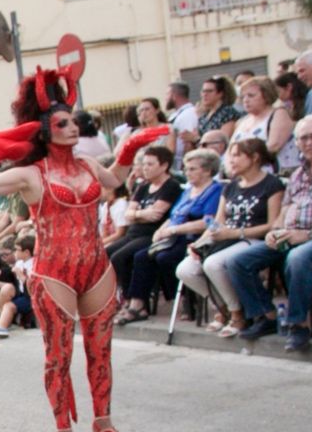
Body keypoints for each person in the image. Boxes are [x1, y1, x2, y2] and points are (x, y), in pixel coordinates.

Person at [0, 71, 144, 432]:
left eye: (73, 120)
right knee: (57, 356)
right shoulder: (30, 174)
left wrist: (132, 146)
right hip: (52, 271)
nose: (72, 127)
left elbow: (117, 179)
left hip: (96, 266)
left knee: (101, 351)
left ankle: (104, 425)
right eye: (62, 123)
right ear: (44, 131)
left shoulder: (90, 165)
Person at [222, 117, 312, 348]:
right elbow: (286, 208)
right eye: (302, 138)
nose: (308, 142)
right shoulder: (298, 173)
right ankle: (266, 316)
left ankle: (299, 324)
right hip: (293, 233)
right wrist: (276, 229)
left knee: (298, 257)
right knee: (237, 261)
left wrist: (310, 235)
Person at [177, 137, 285, 338]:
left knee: (214, 264)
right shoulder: (231, 186)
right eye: (230, 155)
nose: (231, 160)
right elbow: (218, 222)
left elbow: (272, 224)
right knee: (186, 269)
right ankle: (225, 306)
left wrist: (235, 233)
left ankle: (237, 314)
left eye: (237, 155)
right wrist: (199, 243)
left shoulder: (272, 184)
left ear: (254, 158)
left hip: (254, 238)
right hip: (226, 239)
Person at [121, 149, 222, 321]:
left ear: (207, 170)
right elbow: (174, 216)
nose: (187, 173)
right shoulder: (188, 191)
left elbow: (208, 221)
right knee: (142, 256)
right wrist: (162, 230)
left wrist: (174, 230)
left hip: (195, 238)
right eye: (186, 169)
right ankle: (137, 305)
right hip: (173, 236)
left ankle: (185, 300)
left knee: (164, 258)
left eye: (192, 169)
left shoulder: (216, 190)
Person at [104, 144, 181, 318]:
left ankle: (135, 303)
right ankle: (121, 297)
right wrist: (141, 214)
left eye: (150, 164)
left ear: (164, 165)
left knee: (121, 257)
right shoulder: (143, 187)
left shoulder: (171, 186)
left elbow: (157, 215)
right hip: (134, 233)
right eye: (143, 164)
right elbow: (128, 214)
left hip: (152, 234)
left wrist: (136, 214)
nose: (145, 168)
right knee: (108, 253)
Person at [231, 76, 293, 168]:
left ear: (266, 95)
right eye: (243, 97)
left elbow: (273, 146)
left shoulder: (279, 114)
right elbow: (231, 149)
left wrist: (244, 162)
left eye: (251, 95)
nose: (245, 100)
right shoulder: (241, 122)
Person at [193, 75, 241, 145]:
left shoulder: (228, 113)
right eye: (203, 91)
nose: (205, 94)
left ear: (220, 94)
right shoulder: (204, 115)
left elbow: (223, 141)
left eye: (209, 91)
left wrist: (195, 139)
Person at [166, 80, 200, 147]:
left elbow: (188, 141)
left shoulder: (188, 114)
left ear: (174, 95)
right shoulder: (179, 114)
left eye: (167, 94)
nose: (166, 98)